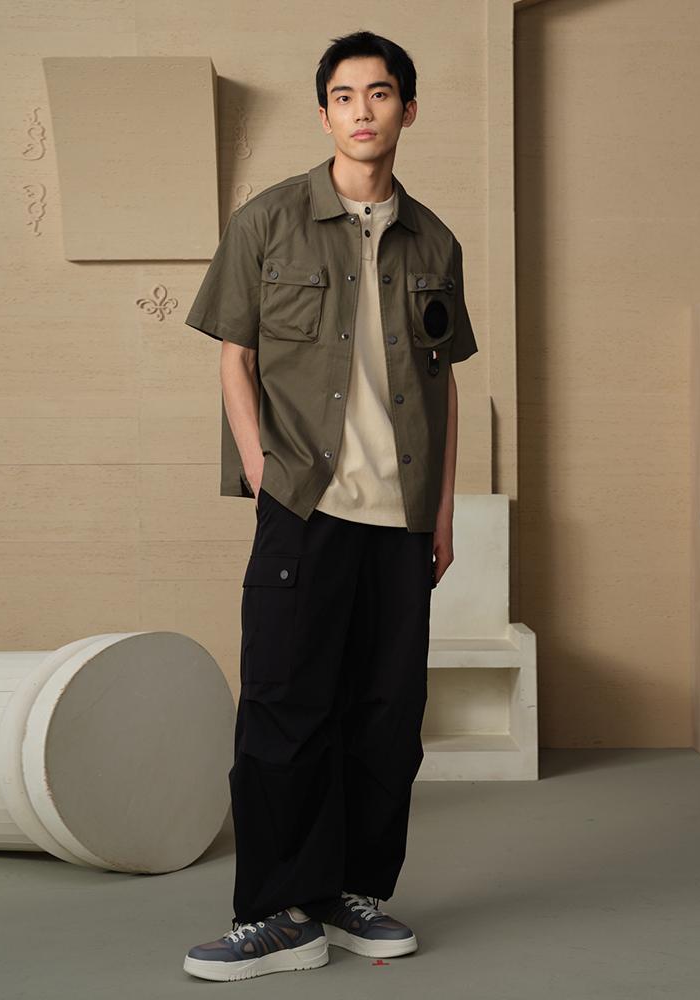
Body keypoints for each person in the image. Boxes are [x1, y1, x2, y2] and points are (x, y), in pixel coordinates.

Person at [181, 28, 478, 982]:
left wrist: (441, 513)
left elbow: (443, 383)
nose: (362, 110)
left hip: (402, 518)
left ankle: (352, 894)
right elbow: (234, 354)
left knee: (387, 715)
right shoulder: (267, 221)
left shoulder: (435, 241)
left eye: (379, 93)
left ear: (407, 110)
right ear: (324, 114)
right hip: (304, 504)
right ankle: (276, 912)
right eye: (344, 96)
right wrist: (259, 466)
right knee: (284, 707)